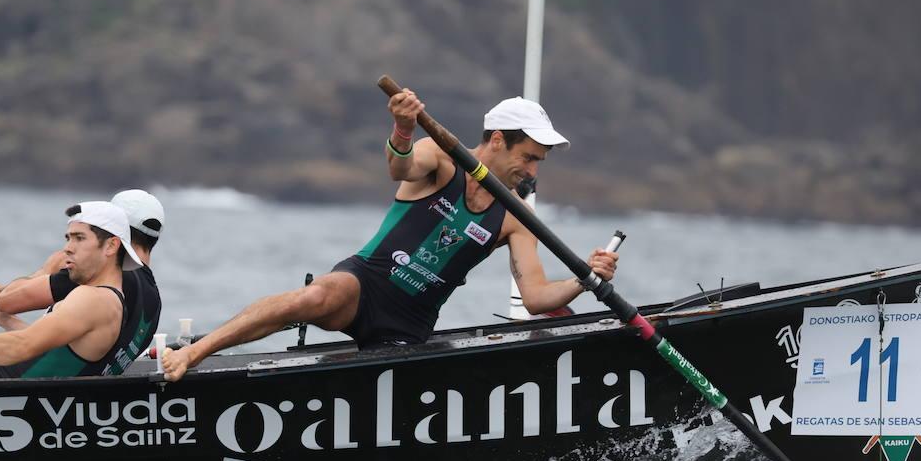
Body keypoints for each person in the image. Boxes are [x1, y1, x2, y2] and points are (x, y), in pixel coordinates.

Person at [160, 89, 618, 382]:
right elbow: (399, 168)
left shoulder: (515, 215)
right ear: (497, 140)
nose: (534, 171)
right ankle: (195, 353)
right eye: (530, 158)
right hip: (365, 286)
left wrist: (585, 277)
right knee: (316, 297)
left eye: (539, 162)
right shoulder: (441, 158)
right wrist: (402, 128)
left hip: (409, 325)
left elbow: (536, 297)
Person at [0, 202, 144, 378]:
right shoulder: (109, 299)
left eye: (79, 238)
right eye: (68, 238)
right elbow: (50, 349)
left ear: (111, 245)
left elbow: (21, 346)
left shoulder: (94, 298)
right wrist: (7, 321)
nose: (67, 248)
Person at [0, 189, 164, 375]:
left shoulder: (101, 272)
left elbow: (7, 301)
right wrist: (8, 322)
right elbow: (64, 349)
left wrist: (45, 271)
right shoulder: (154, 302)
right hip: (64, 388)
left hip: (11, 381)